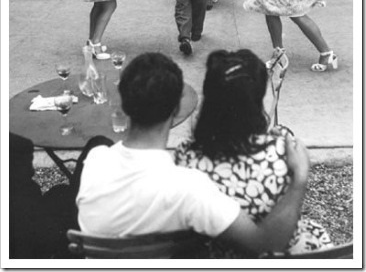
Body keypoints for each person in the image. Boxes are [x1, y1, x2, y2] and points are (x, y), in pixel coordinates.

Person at [76, 52, 310, 258]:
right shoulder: (189, 187)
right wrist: (299, 179)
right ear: (177, 111)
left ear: (124, 105)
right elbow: (264, 243)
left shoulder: (94, 160)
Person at [175, 49, 332, 258]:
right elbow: (279, 241)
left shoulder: (186, 157)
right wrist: (299, 175)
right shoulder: (284, 151)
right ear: (256, 104)